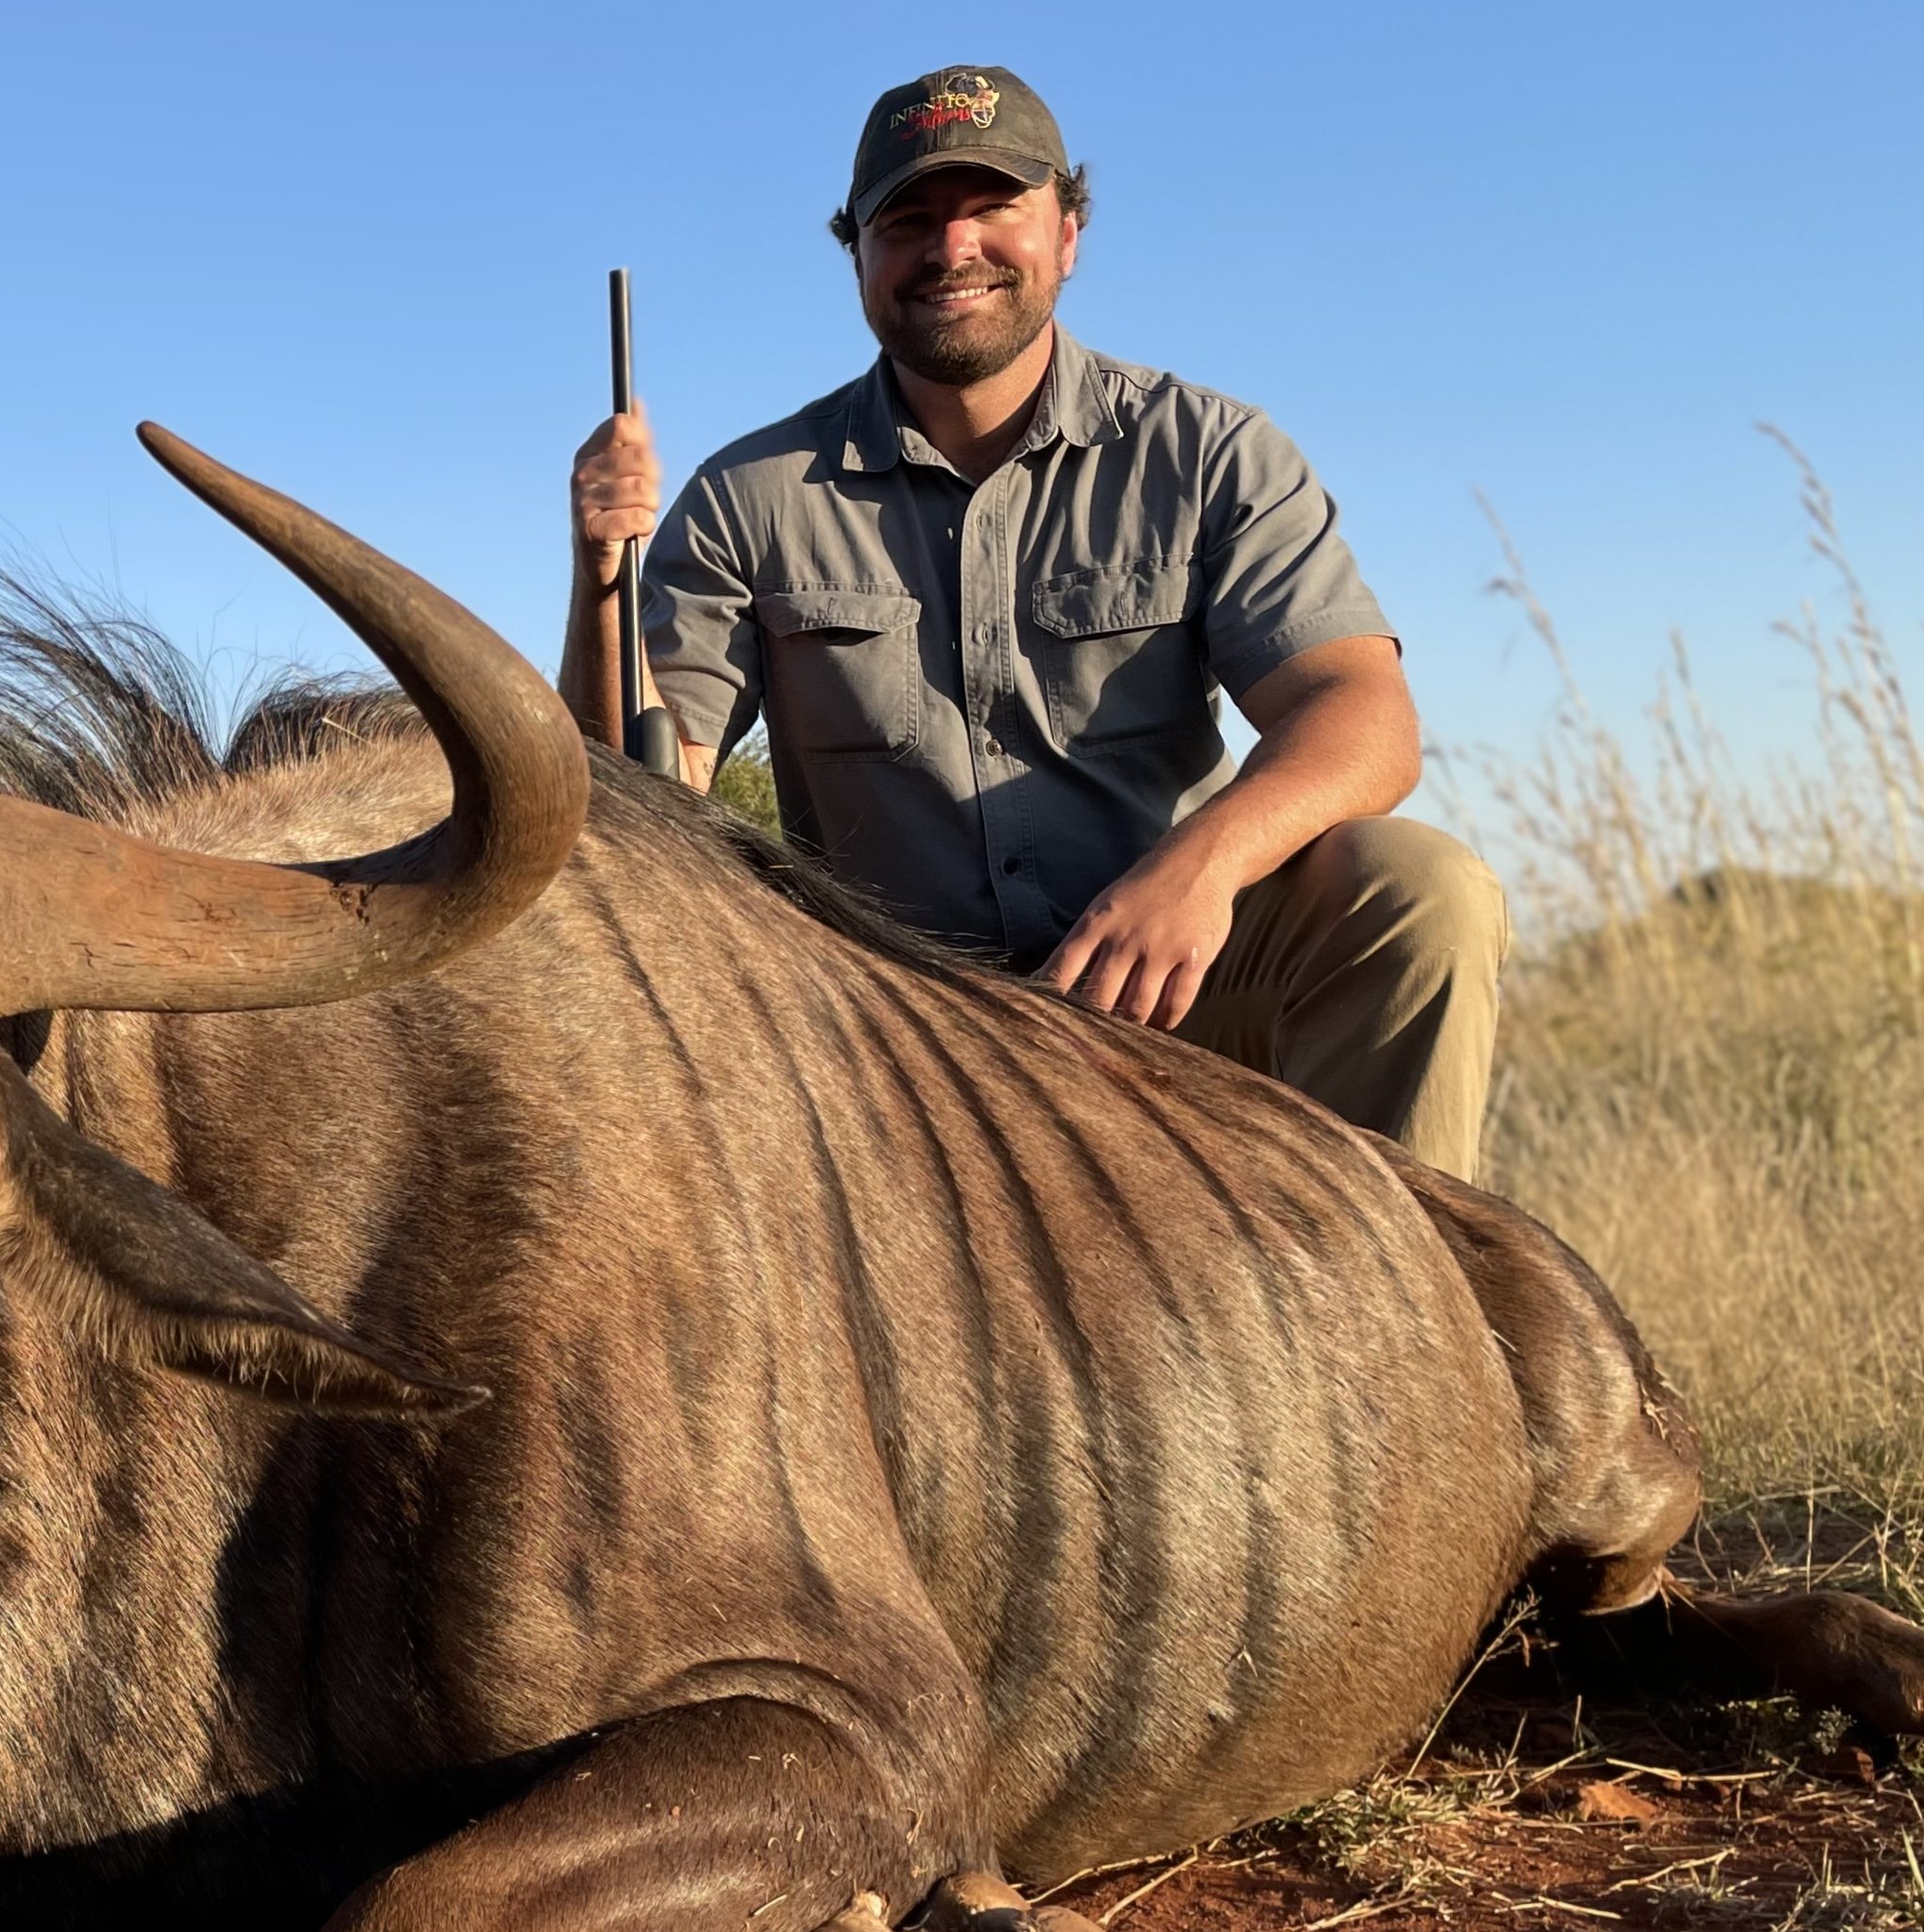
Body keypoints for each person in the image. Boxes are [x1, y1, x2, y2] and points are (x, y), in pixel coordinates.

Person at [565, 64, 1507, 1180]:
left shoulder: (1208, 451)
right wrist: (599, 572)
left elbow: (1362, 716)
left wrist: (1197, 871)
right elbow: (637, 806)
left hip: (1164, 984)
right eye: (907, 219)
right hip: (892, 1034)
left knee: (1421, 893)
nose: (951, 246)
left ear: (1067, 232)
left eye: (992, 207)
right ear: (858, 259)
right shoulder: (746, 496)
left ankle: (1401, 1328)